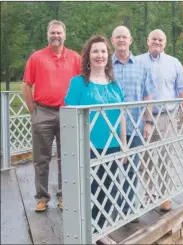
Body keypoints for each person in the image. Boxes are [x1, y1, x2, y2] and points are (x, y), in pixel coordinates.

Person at [64, 35, 127, 239]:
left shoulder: (114, 85)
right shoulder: (78, 83)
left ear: (108, 56)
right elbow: (68, 116)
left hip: (112, 145)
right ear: (88, 56)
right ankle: (86, 232)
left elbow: (122, 117)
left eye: (103, 51)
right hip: (87, 147)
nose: (100, 55)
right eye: (95, 51)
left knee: (107, 191)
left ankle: (100, 233)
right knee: (87, 191)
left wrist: (124, 145)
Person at [22, 20, 81, 212]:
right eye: (52, 33)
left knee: (68, 157)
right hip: (43, 111)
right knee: (41, 158)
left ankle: (65, 195)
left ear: (65, 35)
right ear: (48, 35)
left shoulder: (75, 58)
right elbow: (26, 85)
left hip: (68, 112)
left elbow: (82, 84)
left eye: (59, 33)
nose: (56, 36)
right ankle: (41, 197)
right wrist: (33, 111)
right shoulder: (36, 58)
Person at [137, 29, 183, 211]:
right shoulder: (137, 61)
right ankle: (147, 193)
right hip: (142, 117)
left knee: (165, 158)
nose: (157, 42)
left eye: (161, 40)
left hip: (166, 117)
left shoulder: (173, 63)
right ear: (148, 40)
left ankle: (164, 196)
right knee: (144, 159)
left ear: (165, 42)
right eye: (154, 39)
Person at [110, 26, 156, 215]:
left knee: (131, 169)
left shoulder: (141, 66)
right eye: (118, 37)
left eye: (125, 37)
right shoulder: (105, 65)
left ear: (131, 40)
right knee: (110, 169)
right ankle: (110, 207)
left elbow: (148, 96)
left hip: (134, 126)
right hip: (109, 128)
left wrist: (148, 122)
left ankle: (127, 208)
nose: (121, 40)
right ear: (112, 41)